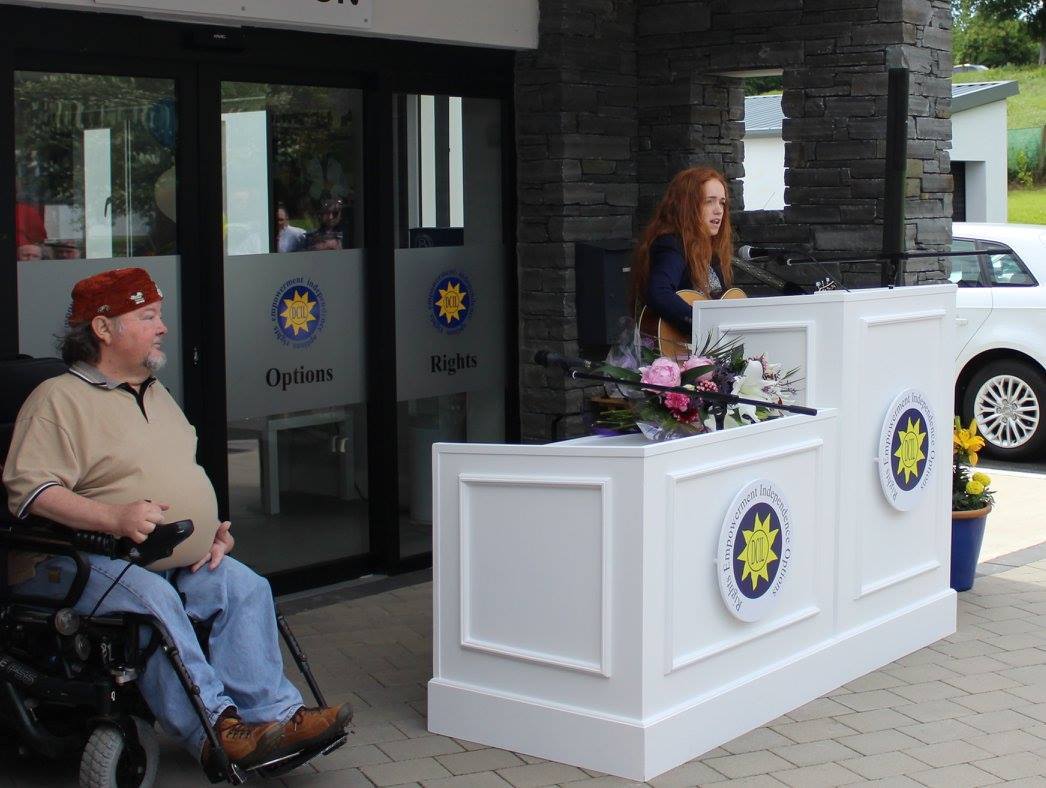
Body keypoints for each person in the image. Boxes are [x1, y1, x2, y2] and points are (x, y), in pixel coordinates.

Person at [2, 268, 352, 771]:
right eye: (147, 317)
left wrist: (211, 531)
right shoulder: (58, 399)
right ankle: (217, 731)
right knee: (156, 602)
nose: (162, 327)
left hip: (156, 558)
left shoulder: (154, 391)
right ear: (103, 328)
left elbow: (178, 472)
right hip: (73, 561)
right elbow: (31, 491)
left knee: (244, 587)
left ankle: (275, 720)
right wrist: (113, 516)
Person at [631, 166, 735, 337]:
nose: (718, 210)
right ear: (687, 205)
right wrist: (702, 325)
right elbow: (658, 292)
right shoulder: (672, 244)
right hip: (682, 346)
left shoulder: (711, 252)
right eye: (709, 201)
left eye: (722, 202)